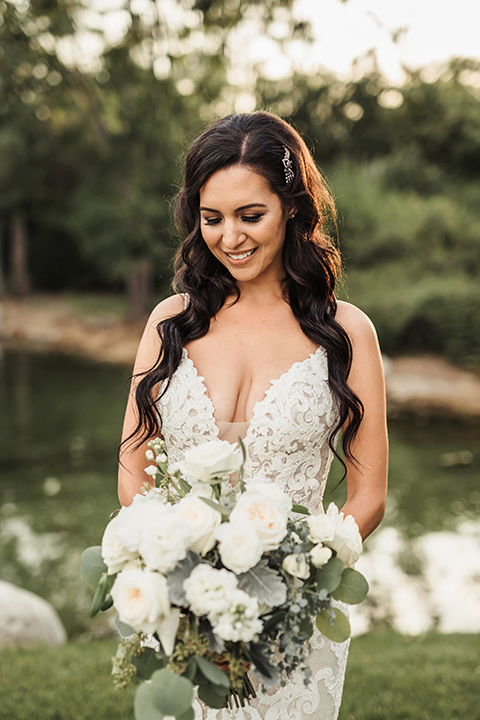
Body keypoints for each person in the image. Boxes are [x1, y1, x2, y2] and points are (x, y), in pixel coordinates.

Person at [118, 111, 388, 720]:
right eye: (211, 219)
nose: (230, 237)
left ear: (292, 207)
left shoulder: (346, 332)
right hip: (186, 612)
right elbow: (133, 465)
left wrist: (296, 576)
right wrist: (172, 574)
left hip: (295, 616)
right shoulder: (170, 322)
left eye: (250, 216)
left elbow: (369, 494)